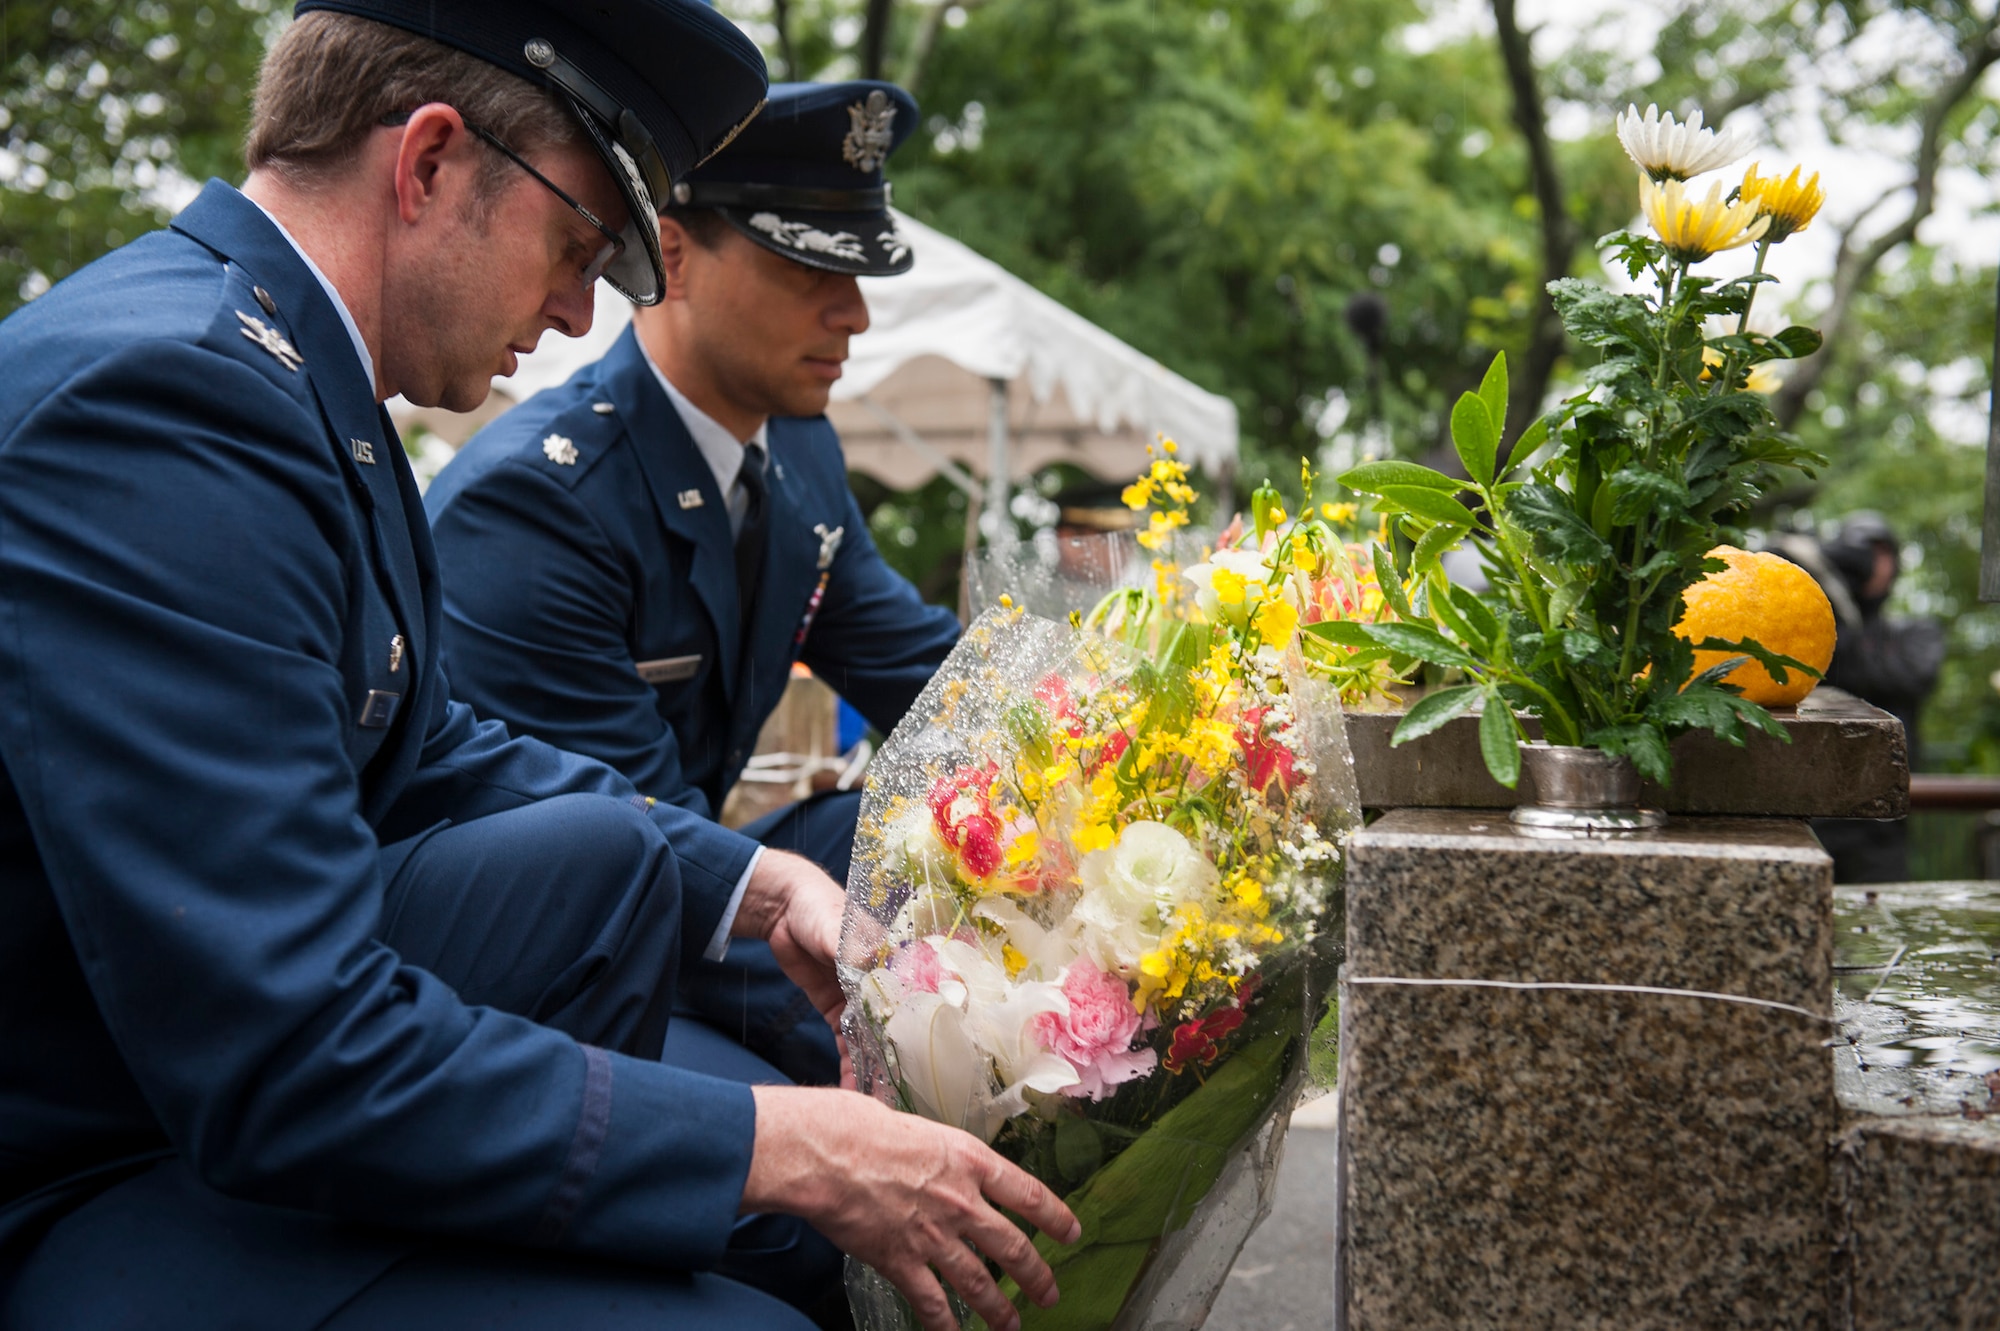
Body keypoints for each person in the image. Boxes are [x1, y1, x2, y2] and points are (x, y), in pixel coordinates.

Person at [0, 7, 1075, 1330]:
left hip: (188, 1079)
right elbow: (289, 1047)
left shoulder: (284, 372)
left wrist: (750, 875)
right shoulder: (169, 404)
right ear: (431, 164)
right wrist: (784, 1142)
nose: (580, 310)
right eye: (579, 244)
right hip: (101, 1164)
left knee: (618, 857)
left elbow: (435, 748)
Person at [425, 80, 962, 1086]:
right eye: (807, 265)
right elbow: (635, 859)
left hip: (694, 884)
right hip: (565, 960)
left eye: (855, 272)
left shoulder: (795, 449)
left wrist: (1133, 749)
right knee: (849, 1154)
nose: (851, 312)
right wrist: (933, 1030)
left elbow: (926, 674)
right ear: (671, 255)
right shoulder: (537, 507)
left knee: (912, 824)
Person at [1786, 513, 1946, 882]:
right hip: (1812, 809)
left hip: (1881, 826)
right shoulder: (1815, 631)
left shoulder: (1915, 633)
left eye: (1882, 552)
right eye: (1862, 552)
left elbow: (1905, 675)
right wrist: (1816, 572)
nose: (1873, 564)